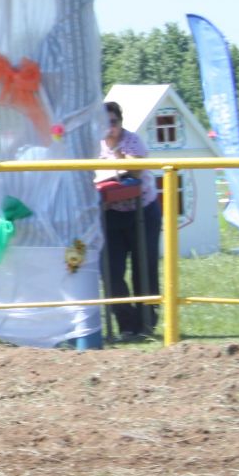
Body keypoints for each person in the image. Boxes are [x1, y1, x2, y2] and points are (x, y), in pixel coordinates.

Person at [97, 100, 161, 340]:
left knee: (144, 268)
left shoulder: (132, 140)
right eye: (104, 123)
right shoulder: (94, 145)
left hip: (142, 211)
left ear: (120, 123)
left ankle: (147, 323)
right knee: (110, 271)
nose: (109, 128)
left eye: (113, 122)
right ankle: (126, 323)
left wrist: (118, 156)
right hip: (111, 214)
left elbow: (135, 171)